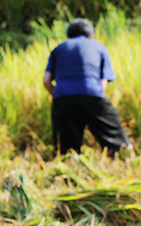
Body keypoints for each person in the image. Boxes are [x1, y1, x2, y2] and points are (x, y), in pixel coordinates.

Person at [43, 17, 132, 156]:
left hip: (62, 97)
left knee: (66, 151)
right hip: (92, 93)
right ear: (91, 35)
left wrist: (59, 96)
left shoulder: (58, 49)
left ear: (69, 35)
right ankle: (126, 158)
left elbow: (46, 81)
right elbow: (104, 81)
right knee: (118, 143)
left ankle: (68, 168)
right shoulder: (98, 47)